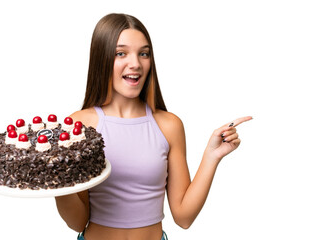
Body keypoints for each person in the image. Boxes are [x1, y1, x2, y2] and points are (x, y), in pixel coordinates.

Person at [55, 13, 252, 240]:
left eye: (144, 54)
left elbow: (184, 217)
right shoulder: (79, 126)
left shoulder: (169, 125)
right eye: (121, 53)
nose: (136, 64)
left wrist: (212, 156)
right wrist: (58, 180)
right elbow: (77, 221)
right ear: (102, 58)